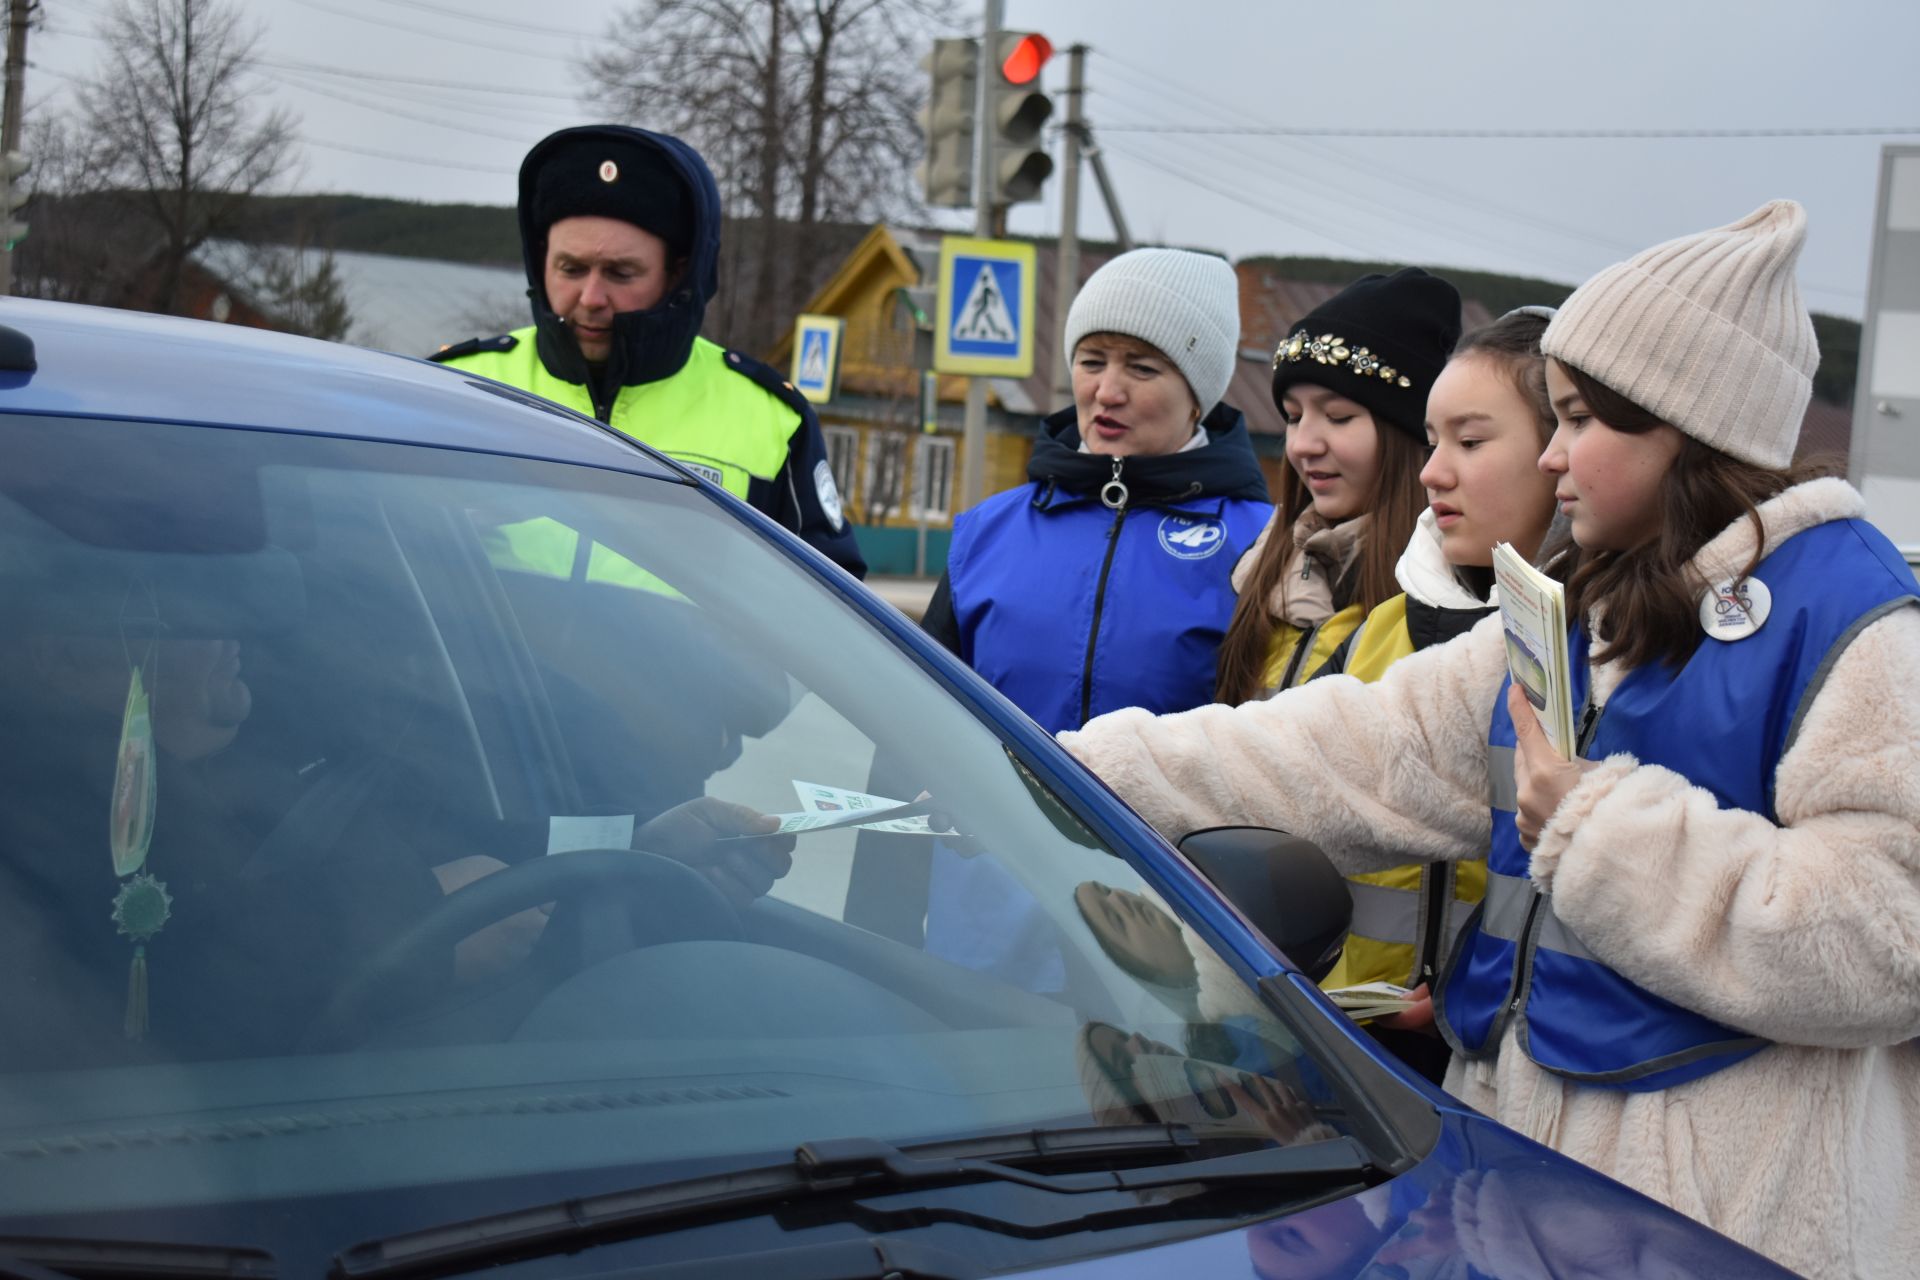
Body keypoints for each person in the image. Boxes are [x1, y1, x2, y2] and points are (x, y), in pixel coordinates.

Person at [1060, 201, 1920, 1280]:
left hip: (1732, 1227)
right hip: (1521, 1185)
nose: (1552, 454)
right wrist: (1070, 769)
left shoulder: (1856, 624)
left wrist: (1595, 826)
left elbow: (1890, 939)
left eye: (1579, 420)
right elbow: (1357, 745)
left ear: (1684, 428)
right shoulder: (1583, 611)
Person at [913, 247, 1271, 989]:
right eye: (1092, 359)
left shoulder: (1261, 546)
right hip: (982, 936)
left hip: (1168, 935)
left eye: (1143, 368)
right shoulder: (987, 532)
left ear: (1198, 391)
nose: (1107, 390)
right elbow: (913, 732)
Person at [429, 124, 865, 579]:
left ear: (679, 276)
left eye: (620, 273)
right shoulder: (459, 388)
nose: (591, 297)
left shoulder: (771, 421)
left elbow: (831, 608)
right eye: (571, 268)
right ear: (541, 263)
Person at [1313, 307, 1561, 1082]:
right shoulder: (1369, 633)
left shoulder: (1610, 655)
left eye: (1472, 442)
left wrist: (1457, 987)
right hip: (1346, 1044)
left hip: (1508, 1066)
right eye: (1432, 441)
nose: (1433, 472)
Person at [1213, 268, 1459, 704]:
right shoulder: (1263, 569)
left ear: (1410, 436)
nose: (1303, 444)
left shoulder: (1452, 602)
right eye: (1293, 416)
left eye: (1339, 416)